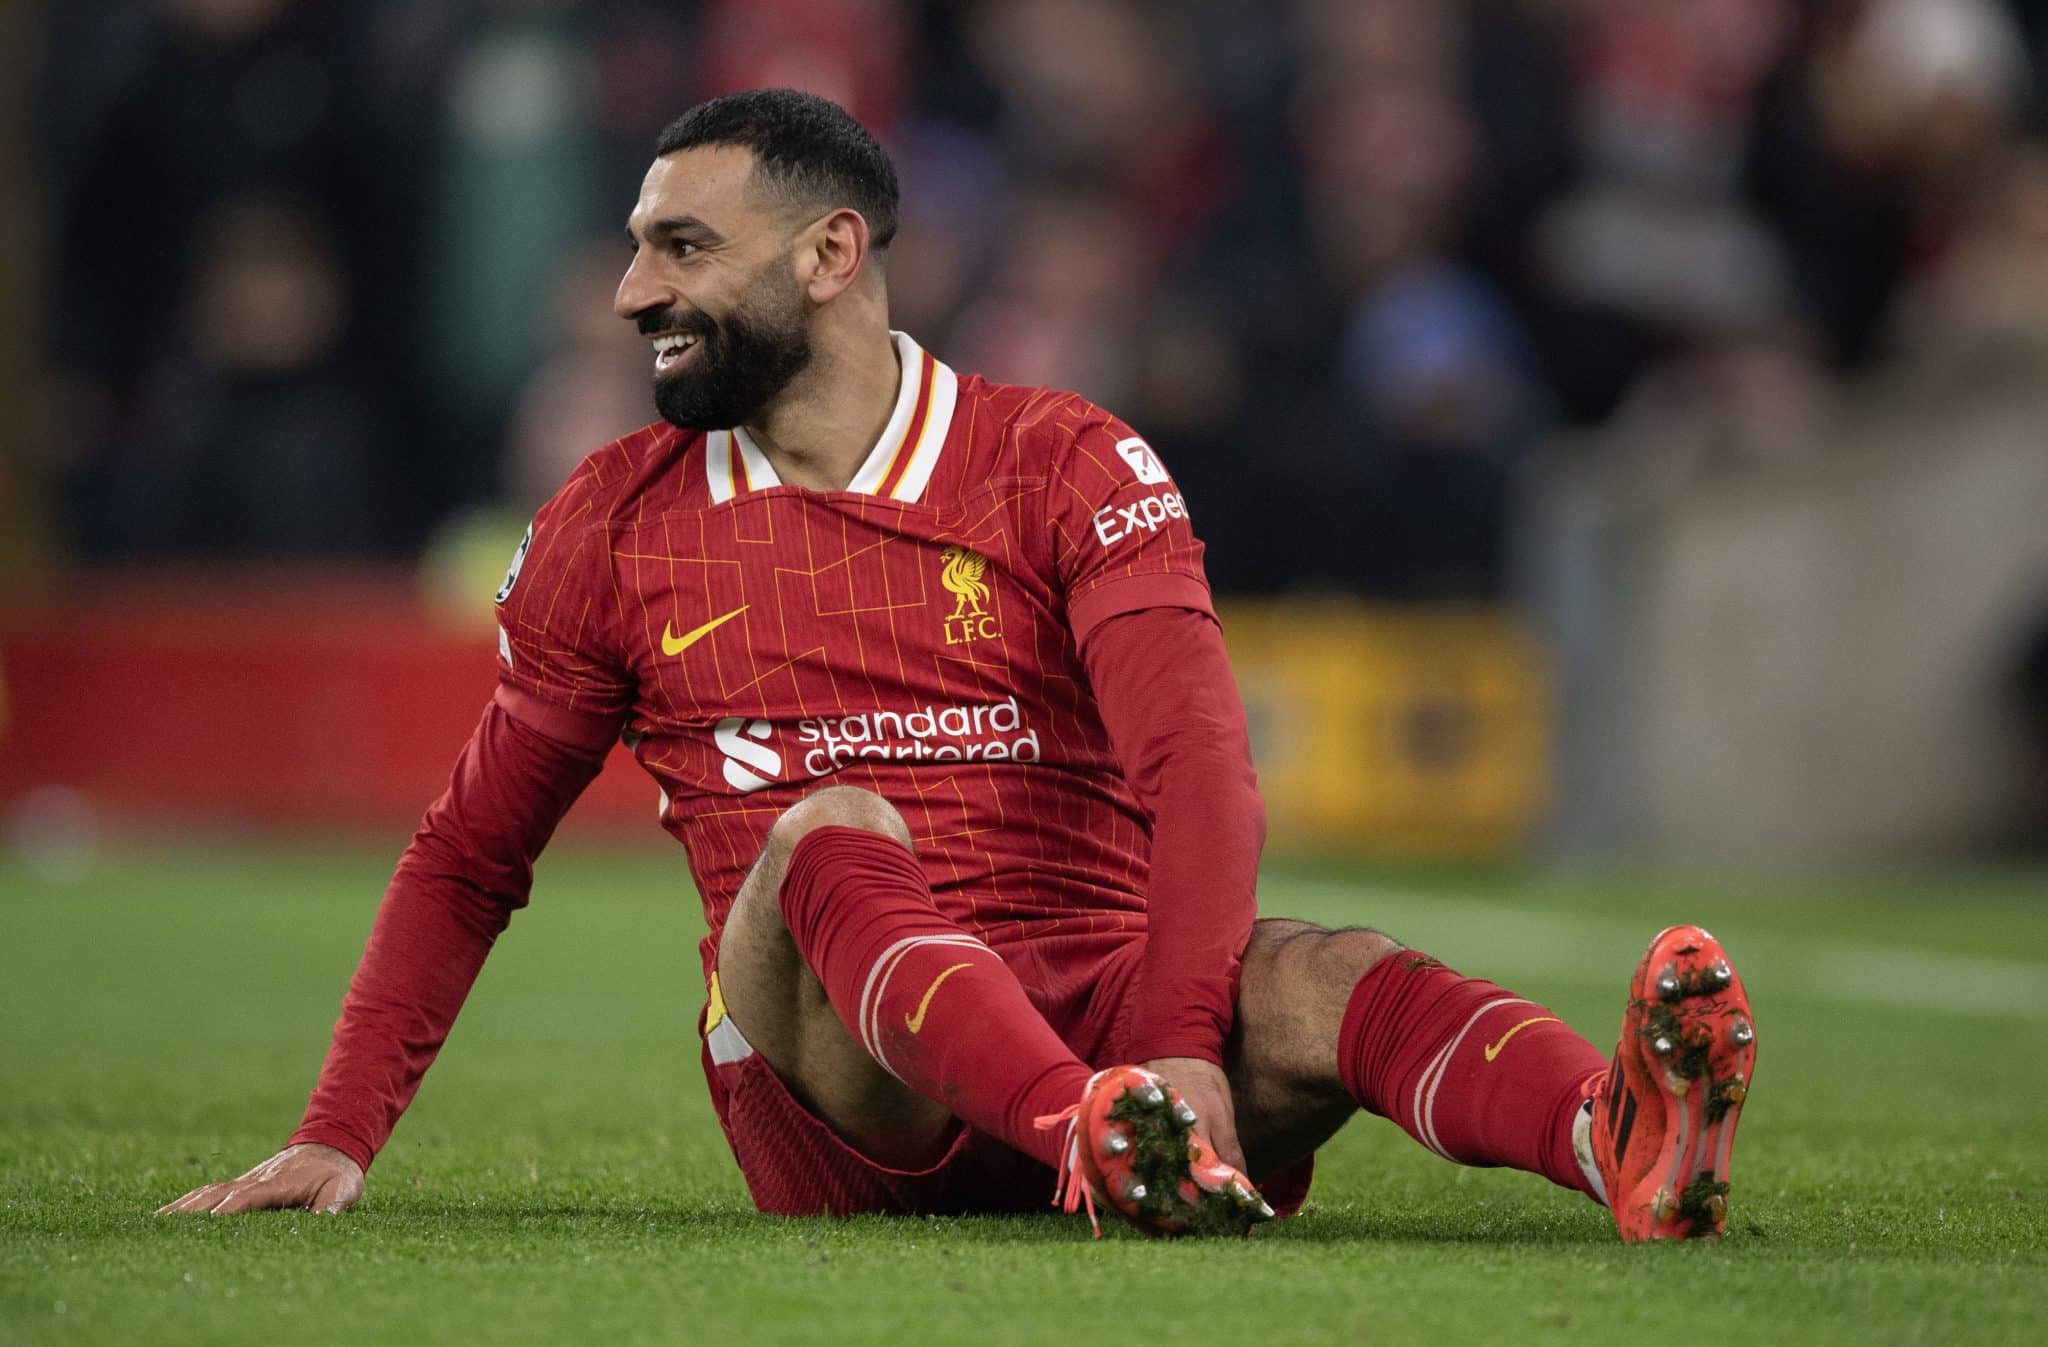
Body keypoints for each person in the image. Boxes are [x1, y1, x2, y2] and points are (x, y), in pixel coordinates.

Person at [158, 90, 1756, 1239]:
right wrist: (333, 1134)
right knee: (825, 835)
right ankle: (1094, 1138)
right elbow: (469, 852)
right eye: (638, 248)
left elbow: (1195, 766)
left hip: (1108, 1000)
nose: (634, 288)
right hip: (841, 1090)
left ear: (832, 254)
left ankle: (1610, 1136)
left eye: (681, 246)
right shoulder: (612, 523)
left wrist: (1185, 1046)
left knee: (1320, 972)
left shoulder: (1062, 461)